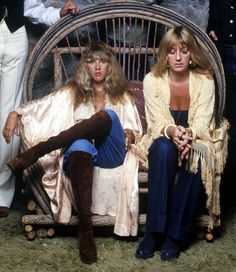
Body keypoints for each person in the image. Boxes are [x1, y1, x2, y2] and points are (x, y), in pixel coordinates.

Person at [4, 42, 142, 264]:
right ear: (84, 66)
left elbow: (135, 130)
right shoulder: (72, 92)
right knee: (78, 145)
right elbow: (41, 107)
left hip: (112, 154)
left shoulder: (121, 94)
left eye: (103, 61)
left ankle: (39, 150)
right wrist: (15, 112)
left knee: (108, 117)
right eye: (91, 61)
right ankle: (85, 230)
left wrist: (129, 134)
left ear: (110, 65)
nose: (97, 67)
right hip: (84, 153)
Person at [133, 26, 228, 261]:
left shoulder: (204, 80)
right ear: (165, 54)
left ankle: (175, 235)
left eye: (183, 51)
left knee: (195, 154)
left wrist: (188, 136)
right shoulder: (152, 80)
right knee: (164, 148)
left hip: (197, 137)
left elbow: (204, 122)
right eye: (172, 51)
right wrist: (173, 132)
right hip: (165, 134)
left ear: (191, 54)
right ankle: (154, 231)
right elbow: (156, 124)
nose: (177, 57)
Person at [0, 0, 79, 217]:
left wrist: (59, 13)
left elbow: (32, 8)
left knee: (9, 113)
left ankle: (2, 193)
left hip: (15, 36)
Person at [207, 0, 236, 205]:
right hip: (224, 63)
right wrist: (210, 30)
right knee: (226, 122)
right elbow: (212, 24)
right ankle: (227, 192)